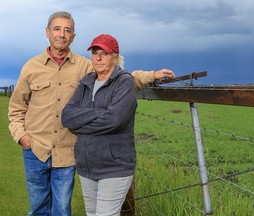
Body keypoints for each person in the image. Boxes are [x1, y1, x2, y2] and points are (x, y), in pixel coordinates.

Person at [8, 11, 174, 216]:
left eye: (67, 30)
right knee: (38, 208)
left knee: (61, 209)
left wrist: (152, 75)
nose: (62, 34)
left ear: (73, 37)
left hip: (67, 152)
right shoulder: (31, 67)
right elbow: (16, 108)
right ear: (47, 32)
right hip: (36, 149)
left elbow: (120, 76)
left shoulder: (85, 66)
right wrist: (22, 137)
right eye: (57, 29)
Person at [62, 33, 136, 216]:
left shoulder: (124, 81)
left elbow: (114, 120)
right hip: (87, 166)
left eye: (105, 53)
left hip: (115, 166)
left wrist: (81, 122)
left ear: (115, 58)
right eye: (95, 53)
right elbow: (67, 117)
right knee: (92, 213)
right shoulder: (86, 82)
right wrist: (99, 112)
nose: (99, 57)